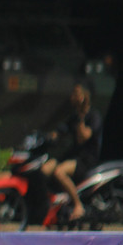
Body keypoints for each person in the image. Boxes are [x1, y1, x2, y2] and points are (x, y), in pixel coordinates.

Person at [41, 81, 103, 221]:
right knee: (45, 168)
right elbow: (61, 131)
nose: (72, 97)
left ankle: (78, 205)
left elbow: (83, 137)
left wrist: (81, 115)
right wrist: (46, 136)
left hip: (86, 159)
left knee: (59, 172)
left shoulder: (93, 116)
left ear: (84, 96)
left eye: (76, 94)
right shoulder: (73, 117)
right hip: (73, 156)